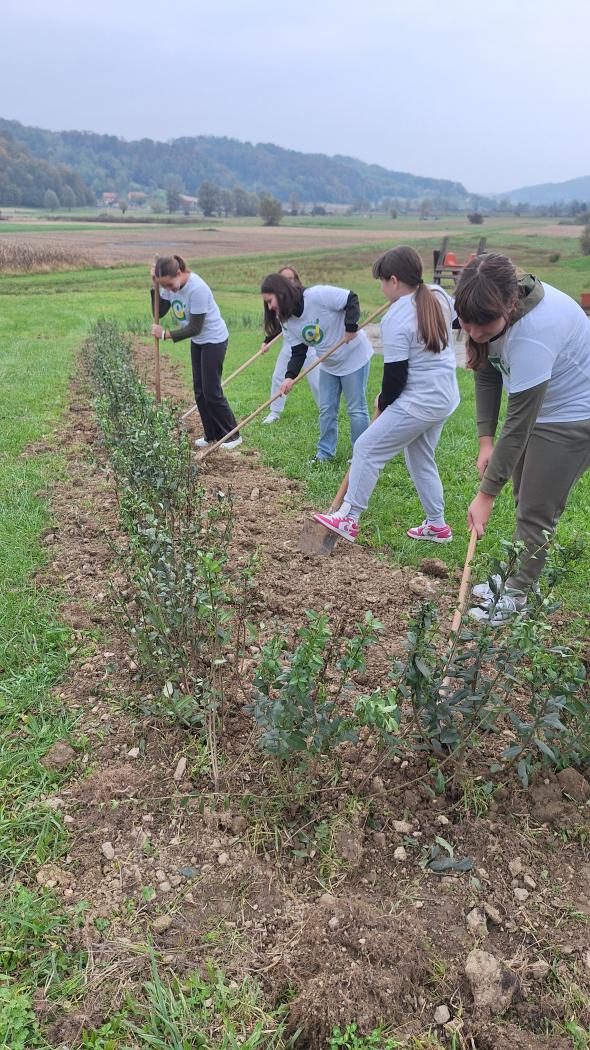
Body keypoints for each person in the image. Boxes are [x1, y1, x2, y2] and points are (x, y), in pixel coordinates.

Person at [453, 252, 590, 624]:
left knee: (536, 508)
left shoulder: (535, 333)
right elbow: (486, 371)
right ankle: (515, 575)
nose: (475, 333)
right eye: (467, 324)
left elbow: (518, 424)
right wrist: (485, 441)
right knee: (524, 497)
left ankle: (516, 595)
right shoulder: (483, 310)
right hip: (544, 406)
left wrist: (485, 496)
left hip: (574, 413)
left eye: (484, 325)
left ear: (509, 306)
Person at [312, 246, 459, 543]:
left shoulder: (396, 317)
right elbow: (456, 321)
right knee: (420, 458)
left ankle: (349, 517)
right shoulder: (438, 294)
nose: (380, 288)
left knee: (367, 447)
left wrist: (384, 400)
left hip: (420, 401)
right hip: (445, 395)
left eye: (381, 281)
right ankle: (436, 525)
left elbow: (395, 377)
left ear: (393, 280)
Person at [260, 275, 372, 461]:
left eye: (270, 301)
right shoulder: (288, 321)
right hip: (329, 363)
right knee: (327, 409)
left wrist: (350, 327)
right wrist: (289, 377)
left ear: (281, 293)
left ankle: (360, 455)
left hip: (353, 357)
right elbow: (298, 351)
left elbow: (351, 298)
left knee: (356, 409)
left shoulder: (317, 295)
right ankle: (325, 453)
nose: (270, 307)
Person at [150, 255, 241, 449]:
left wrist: (165, 334)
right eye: (164, 286)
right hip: (198, 342)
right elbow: (158, 311)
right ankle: (211, 435)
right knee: (199, 391)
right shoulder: (168, 286)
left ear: (178, 273)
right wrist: (154, 287)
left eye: (169, 285)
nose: (168, 289)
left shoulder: (197, 288)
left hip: (214, 340)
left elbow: (195, 328)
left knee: (211, 391)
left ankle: (233, 435)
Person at [260, 264, 320, 424]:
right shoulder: (278, 304)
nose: (288, 282)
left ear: (296, 280)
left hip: (310, 347)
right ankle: (274, 412)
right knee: (278, 377)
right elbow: (279, 325)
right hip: (290, 347)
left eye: (291, 278)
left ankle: (325, 410)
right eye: (284, 279)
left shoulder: (305, 299)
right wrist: (267, 341)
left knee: (317, 381)